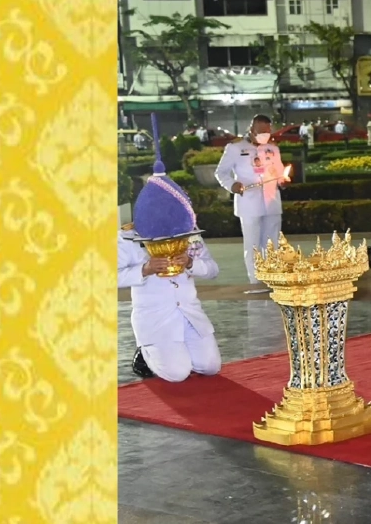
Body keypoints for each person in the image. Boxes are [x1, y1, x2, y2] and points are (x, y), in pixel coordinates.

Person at [120, 129, 221, 383]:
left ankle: (175, 352)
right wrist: (143, 269)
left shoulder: (188, 234)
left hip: (189, 314)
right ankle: (145, 352)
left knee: (210, 367)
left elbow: (212, 270)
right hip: (156, 318)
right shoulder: (128, 238)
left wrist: (190, 263)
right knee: (177, 374)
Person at [214, 115, 287, 287]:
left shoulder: (273, 149)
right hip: (249, 201)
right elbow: (221, 172)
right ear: (251, 129)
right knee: (253, 243)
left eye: (268, 131)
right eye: (261, 131)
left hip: (271, 202)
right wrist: (232, 185)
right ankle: (256, 280)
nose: (265, 135)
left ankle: (273, 277)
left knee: (273, 242)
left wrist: (282, 181)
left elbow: (279, 171)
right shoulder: (235, 148)